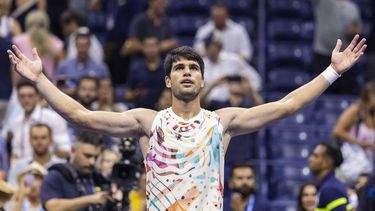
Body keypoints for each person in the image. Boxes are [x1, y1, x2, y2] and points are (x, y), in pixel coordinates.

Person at [7, 34, 366, 210]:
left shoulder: (222, 122)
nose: (187, 72)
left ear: (203, 79)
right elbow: (79, 115)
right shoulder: (148, 122)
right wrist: (39, 80)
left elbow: (287, 106)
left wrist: (333, 71)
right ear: (168, 81)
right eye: (179, 68)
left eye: (194, 68)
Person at [40, 132, 109, 211]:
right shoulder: (56, 175)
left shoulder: (97, 178)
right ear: (73, 150)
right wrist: (90, 199)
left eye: (96, 157)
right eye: (87, 156)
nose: (92, 162)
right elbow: (52, 207)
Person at [5, 81, 71, 162]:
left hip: (50, 167)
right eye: (22, 96)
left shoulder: (53, 118)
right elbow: (16, 153)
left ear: (38, 97)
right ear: (18, 98)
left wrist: (44, 154)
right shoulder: (16, 121)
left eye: (30, 96)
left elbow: (65, 151)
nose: (26, 100)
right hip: (25, 169)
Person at [311, 0, 363, 94]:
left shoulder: (352, 8)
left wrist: (354, 30)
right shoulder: (323, 2)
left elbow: (359, 28)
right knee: (321, 91)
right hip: (323, 53)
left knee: (346, 90)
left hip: (344, 56)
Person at [333, 81, 375, 185]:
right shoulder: (356, 109)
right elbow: (337, 131)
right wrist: (360, 143)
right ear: (368, 96)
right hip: (349, 162)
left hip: (367, 166)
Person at [308, 143, 351, 211]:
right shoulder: (325, 187)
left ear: (327, 162)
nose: (310, 159)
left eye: (315, 156)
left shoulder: (331, 189)